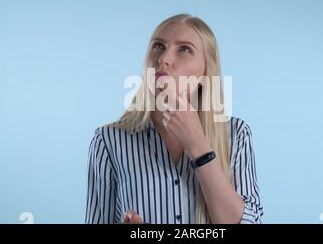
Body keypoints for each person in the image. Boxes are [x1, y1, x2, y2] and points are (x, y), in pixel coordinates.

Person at [85, 14, 263, 224]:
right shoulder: (109, 141)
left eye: (184, 49)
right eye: (158, 46)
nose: (164, 59)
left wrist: (199, 147)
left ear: (205, 74)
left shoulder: (236, 134)